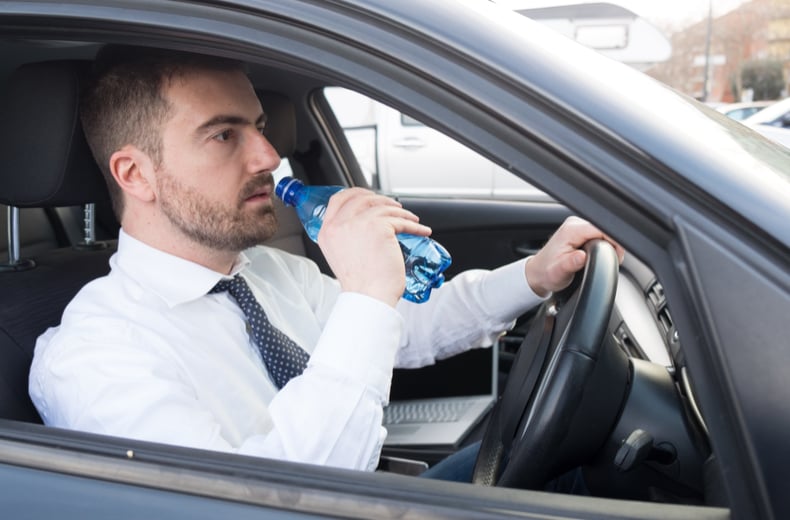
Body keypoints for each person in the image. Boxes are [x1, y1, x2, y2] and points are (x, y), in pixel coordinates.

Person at [28, 45, 624, 477]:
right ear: (136, 174)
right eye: (223, 135)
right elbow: (272, 499)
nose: (268, 154)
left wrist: (533, 276)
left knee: (588, 459)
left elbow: (399, 328)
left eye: (259, 127)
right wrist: (364, 293)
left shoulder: (267, 272)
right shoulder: (94, 356)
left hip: (376, 485)